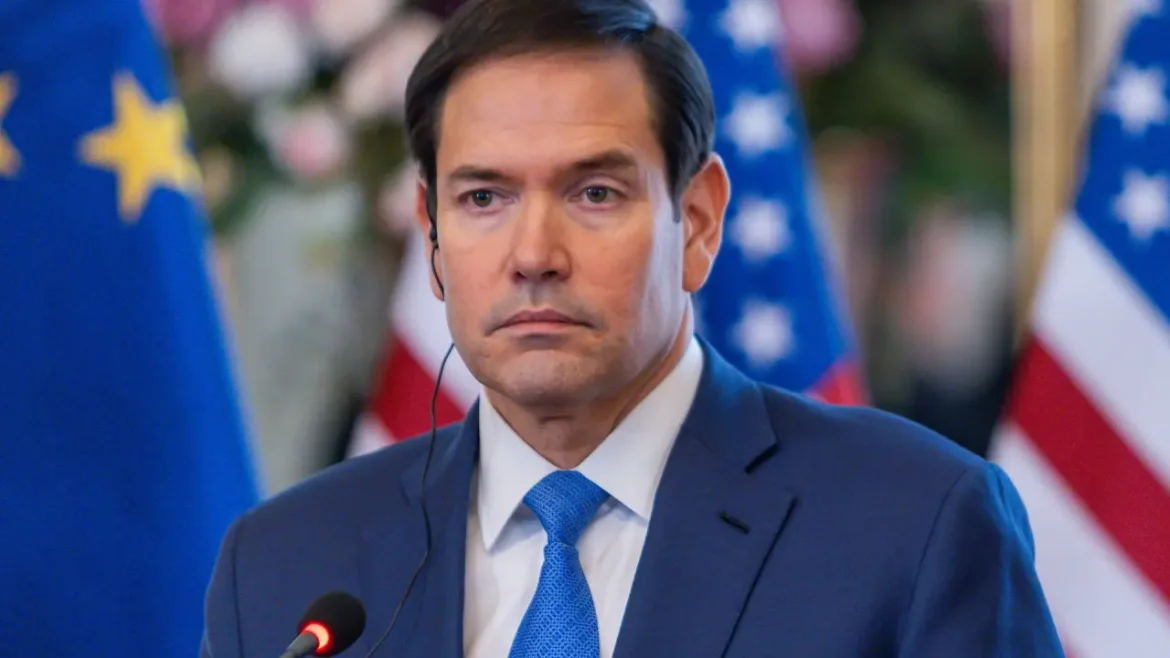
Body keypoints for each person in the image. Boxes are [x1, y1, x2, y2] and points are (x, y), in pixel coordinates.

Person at [201, 0, 1065, 655]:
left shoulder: (915, 528)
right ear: (431, 234)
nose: (533, 255)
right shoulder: (284, 567)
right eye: (484, 198)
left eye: (594, 193)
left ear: (699, 221)